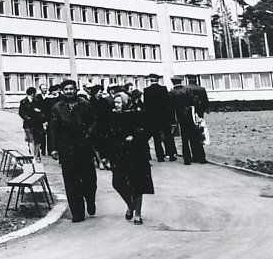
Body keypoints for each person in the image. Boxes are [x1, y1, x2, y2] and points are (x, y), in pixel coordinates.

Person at [46, 78, 98, 222]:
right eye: (66, 89)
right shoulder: (57, 108)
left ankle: (90, 199)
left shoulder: (85, 105)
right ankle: (77, 213)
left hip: (84, 148)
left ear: (76, 89)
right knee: (71, 183)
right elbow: (52, 129)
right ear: (62, 91)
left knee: (90, 181)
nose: (69, 92)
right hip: (67, 149)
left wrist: (88, 134)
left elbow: (94, 121)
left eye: (71, 89)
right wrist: (53, 148)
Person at [101, 89, 154, 223]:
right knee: (117, 183)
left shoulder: (138, 114)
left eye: (119, 103)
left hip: (136, 154)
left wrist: (135, 137)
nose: (116, 105)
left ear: (126, 103)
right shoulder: (112, 117)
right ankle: (130, 205)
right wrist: (106, 155)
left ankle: (138, 214)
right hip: (118, 154)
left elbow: (149, 130)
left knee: (137, 184)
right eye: (115, 103)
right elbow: (107, 136)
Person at [170, 76, 207, 164]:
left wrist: (173, 120)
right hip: (191, 115)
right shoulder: (187, 90)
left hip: (180, 117)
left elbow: (171, 108)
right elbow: (195, 101)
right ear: (181, 81)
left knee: (184, 139)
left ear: (173, 83)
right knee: (195, 136)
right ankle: (200, 157)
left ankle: (187, 159)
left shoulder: (171, 92)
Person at [143, 74, 177, 162]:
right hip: (164, 116)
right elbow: (168, 104)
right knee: (168, 135)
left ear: (150, 80)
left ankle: (160, 156)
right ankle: (171, 154)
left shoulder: (146, 91)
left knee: (156, 137)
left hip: (153, 118)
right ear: (158, 80)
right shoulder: (163, 89)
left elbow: (146, 106)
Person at [18, 86, 46, 160]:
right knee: (31, 140)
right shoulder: (23, 102)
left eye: (33, 94)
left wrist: (39, 112)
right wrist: (27, 118)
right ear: (28, 94)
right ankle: (33, 157)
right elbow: (21, 112)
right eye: (31, 94)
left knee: (37, 141)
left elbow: (42, 111)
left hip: (37, 123)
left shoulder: (38, 101)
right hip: (28, 124)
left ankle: (36, 156)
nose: (33, 95)